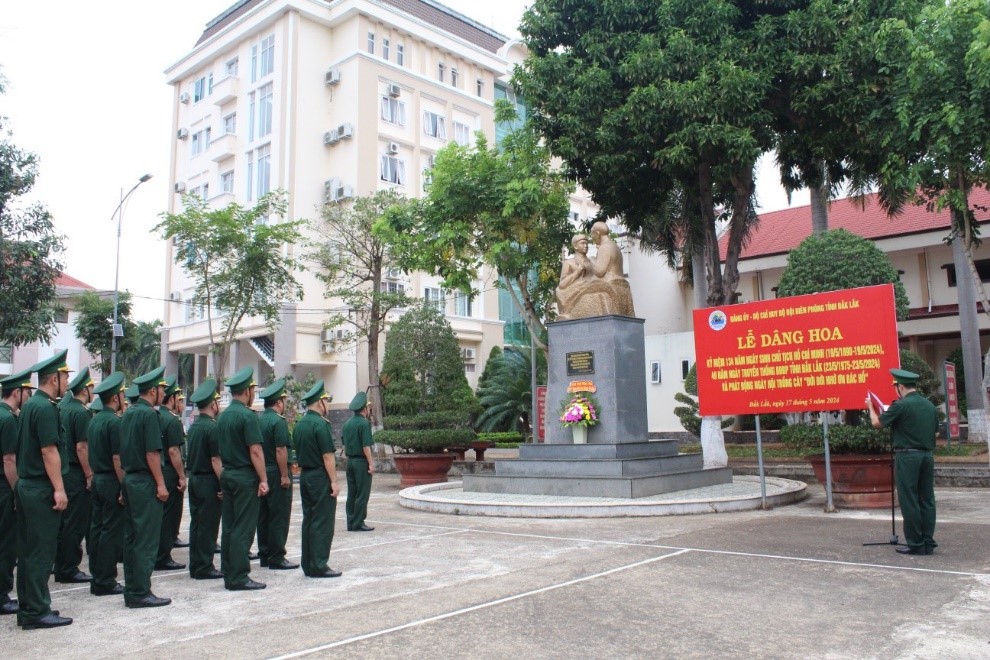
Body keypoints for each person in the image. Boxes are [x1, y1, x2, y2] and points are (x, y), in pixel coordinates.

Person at [15, 350, 73, 629]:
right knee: (41, 551)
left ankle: (29, 606)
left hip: (27, 486)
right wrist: (59, 490)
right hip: (41, 488)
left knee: (28, 551)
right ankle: (37, 610)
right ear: (54, 379)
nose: (68, 383)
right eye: (65, 377)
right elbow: (49, 450)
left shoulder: (29, 405)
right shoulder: (46, 407)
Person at [868, 368, 940, 555]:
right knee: (927, 499)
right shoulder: (929, 406)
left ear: (900, 387)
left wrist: (870, 406)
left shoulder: (901, 405)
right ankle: (927, 542)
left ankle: (915, 543)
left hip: (907, 457)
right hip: (927, 456)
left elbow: (877, 424)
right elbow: (936, 433)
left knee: (909, 500)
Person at [120, 366, 172, 608]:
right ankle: (141, 591)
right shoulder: (150, 415)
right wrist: (161, 483)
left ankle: (132, 588)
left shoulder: (129, 413)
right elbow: (152, 452)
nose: (164, 393)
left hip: (131, 479)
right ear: (153, 390)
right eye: (162, 389)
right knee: (146, 540)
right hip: (145, 481)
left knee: (132, 538)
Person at [217, 366, 270, 591]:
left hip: (227, 473)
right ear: (248, 391)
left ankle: (229, 572)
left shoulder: (223, 415)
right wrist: (264, 479)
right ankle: (239, 576)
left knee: (229, 526)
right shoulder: (248, 416)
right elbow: (255, 451)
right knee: (243, 527)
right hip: (244, 476)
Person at [294, 380, 341, 578]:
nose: (328, 405)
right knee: (322, 521)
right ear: (320, 402)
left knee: (309, 519)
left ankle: (308, 563)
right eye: (327, 401)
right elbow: (328, 456)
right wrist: (334, 481)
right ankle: (320, 564)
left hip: (305, 476)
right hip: (320, 476)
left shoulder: (300, 424)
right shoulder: (320, 425)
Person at [86, 372, 127, 596]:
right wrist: (124, 486)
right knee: (110, 530)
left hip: (98, 478)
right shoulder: (113, 422)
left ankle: (97, 575)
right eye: (122, 394)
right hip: (111, 480)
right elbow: (117, 459)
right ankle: (105, 580)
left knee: (97, 529)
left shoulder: (95, 420)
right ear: (115, 398)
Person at [54, 366, 95, 584]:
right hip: (76, 472)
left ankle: (60, 564)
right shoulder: (80, 412)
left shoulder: (62, 407)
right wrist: (89, 475)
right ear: (84, 390)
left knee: (63, 523)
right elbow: (82, 447)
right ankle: (68, 568)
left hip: (63, 470)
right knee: (75, 523)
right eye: (91, 388)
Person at [0, 368, 34, 615]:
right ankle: (1, 595)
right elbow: (9, 460)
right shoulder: (9, 419)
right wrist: (16, 491)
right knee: (6, 543)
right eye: (27, 392)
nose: (28, 397)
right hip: (4, 487)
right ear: (18, 393)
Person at [256, 379, 297, 570]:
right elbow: (281, 450)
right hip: (275, 471)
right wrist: (284, 475)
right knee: (279, 515)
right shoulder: (278, 422)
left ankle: (264, 553)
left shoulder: (258, 420)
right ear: (279, 402)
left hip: (262, 472)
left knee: (263, 515)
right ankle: (277, 556)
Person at [185, 378, 224, 580]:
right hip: (209, 481)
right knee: (208, 525)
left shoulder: (194, 427)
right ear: (213, 404)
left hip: (195, 479)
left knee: (197, 524)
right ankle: (204, 566)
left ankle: (196, 564)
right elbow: (216, 460)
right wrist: (223, 484)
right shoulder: (212, 427)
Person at [155, 376, 187, 571]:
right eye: (180, 399)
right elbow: (174, 451)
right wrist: (182, 476)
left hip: (159, 469)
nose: (182, 403)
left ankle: (159, 553)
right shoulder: (172, 421)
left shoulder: (157, 416)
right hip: (169, 471)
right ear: (173, 398)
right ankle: (163, 556)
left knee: (161, 515)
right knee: (170, 516)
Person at [343, 391, 375, 532]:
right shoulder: (364, 423)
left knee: (352, 493)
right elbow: (366, 446)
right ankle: (358, 522)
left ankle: (350, 522)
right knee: (362, 493)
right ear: (365, 409)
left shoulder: (347, 424)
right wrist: (371, 463)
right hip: (361, 462)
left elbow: (343, 446)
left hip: (350, 462)